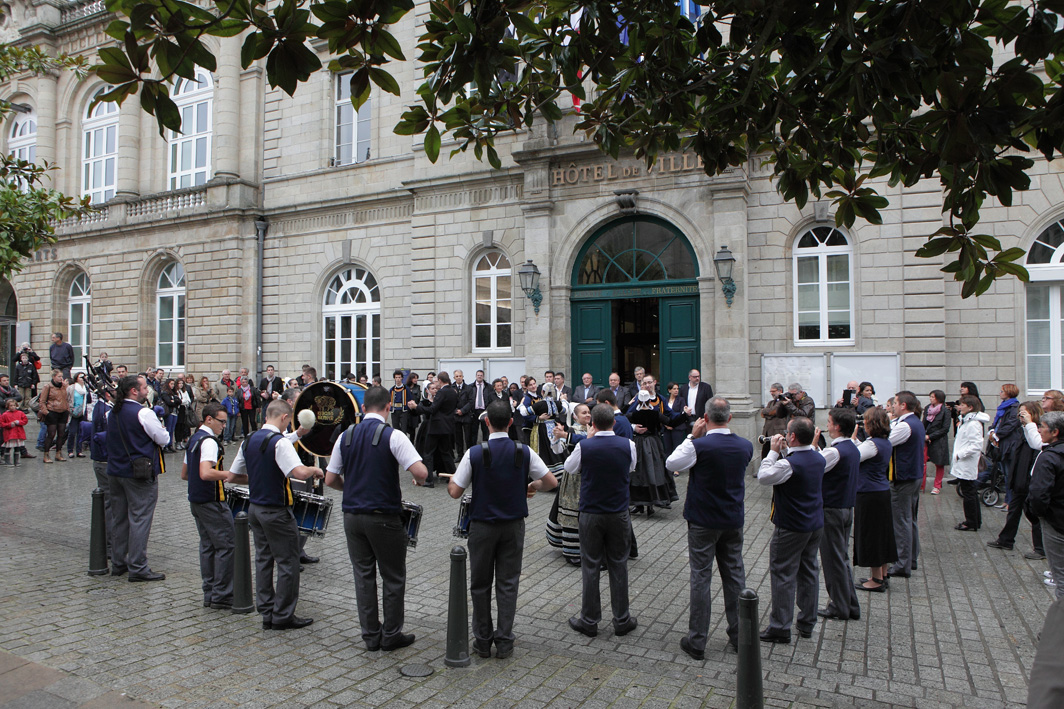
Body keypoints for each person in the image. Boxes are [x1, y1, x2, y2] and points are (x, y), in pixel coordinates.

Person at [449, 399, 558, 658]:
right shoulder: (524, 451)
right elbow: (551, 481)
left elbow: (455, 492)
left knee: (480, 584)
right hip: (513, 526)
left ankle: (483, 641)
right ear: (511, 423)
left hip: (482, 527)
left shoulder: (474, 452)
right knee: (508, 584)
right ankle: (505, 642)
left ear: (486, 423)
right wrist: (531, 487)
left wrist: (454, 479)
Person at [324, 385, 427, 650]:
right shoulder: (394, 436)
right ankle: (391, 635)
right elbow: (421, 472)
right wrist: (417, 478)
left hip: (352, 517)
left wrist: (354, 488)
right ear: (388, 407)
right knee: (393, 576)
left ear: (362, 408)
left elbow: (330, 479)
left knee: (363, 576)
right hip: (383, 516)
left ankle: (370, 635)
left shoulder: (344, 435)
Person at [665, 396, 752, 658]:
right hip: (732, 518)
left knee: (701, 577)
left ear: (705, 418)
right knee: (735, 575)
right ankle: (741, 636)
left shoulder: (698, 446)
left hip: (703, 519)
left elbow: (672, 464)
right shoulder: (745, 446)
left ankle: (697, 639)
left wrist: (692, 436)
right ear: (730, 418)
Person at [230, 399, 324, 629]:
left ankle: (267, 611)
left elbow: (233, 475)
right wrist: (315, 469)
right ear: (284, 418)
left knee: (263, 560)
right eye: (288, 421)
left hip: (255, 509)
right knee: (288, 562)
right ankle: (283, 615)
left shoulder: (249, 439)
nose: (288, 425)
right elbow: (298, 472)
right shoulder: (279, 443)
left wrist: (259, 478)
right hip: (277, 511)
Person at [565, 404, 638, 639]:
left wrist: (587, 441)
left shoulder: (584, 445)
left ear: (592, 424)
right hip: (618, 511)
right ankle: (622, 619)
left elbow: (569, 468)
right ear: (614, 423)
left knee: (590, 564)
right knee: (618, 564)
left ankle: (589, 620)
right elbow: (631, 468)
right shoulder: (628, 444)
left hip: (591, 512)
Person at [757, 416, 825, 643]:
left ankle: (780, 626)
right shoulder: (817, 456)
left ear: (793, 437)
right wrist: (786, 452)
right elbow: (795, 470)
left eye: (787, 433)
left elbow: (765, 477)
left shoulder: (789, 463)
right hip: (814, 523)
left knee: (783, 574)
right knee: (808, 572)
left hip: (791, 526)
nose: (784, 435)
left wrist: (773, 452)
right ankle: (807, 622)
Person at [106, 374, 171, 581]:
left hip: (116, 470)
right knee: (140, 518)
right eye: (144, 388)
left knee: (120, 518)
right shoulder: (143, 413)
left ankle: (119, 561)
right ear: (134, 390)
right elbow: (163, 439)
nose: (146, 391)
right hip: (139, 472)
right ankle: (137, 566)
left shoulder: (113, 412)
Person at [182, 402, 239, 610]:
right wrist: (230, 475)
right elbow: (205, 473)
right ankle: (222, 594)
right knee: (226, 545)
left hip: (196, 500)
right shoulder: (209, 442)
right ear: (209, 419)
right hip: (212, 501)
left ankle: (210, 592)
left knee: (207, 546)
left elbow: (185, 474)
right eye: (221, 422)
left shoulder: (193, 439)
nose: (224, 426)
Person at [815, 407, 861, 620]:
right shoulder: (851, 447)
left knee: (833, 560)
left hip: (832, 509)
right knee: (841, 557)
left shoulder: (835, 451)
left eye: (830, 422)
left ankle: (839, 606)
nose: (828, 426)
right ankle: (850, 603)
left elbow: (814, 468)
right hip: (845, 507)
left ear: (838, 427)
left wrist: (812, 446)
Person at [989, 401, 1046, 558]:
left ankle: (1040, 549)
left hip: (1028, 479)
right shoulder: (1022, 430)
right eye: (1020, 413)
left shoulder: (1037, 430)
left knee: (1033, 514)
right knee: (1014, 510)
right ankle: (1006, 539)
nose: (1020, 416)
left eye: (1024, 413)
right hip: (1019, 477)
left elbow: (1036, 447)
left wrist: (1029, 424)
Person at [852, 408, 896, 592]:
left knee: (872, 535)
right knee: (882, 534)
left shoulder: (872, 445)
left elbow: (854, 457)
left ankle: (876, 579)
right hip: (881, 492)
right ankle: (882, 574)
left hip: (869, 494)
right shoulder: (884, 442)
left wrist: (850, 439)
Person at [626, 374, 680, 515]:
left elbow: (621, 418)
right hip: (652, 442)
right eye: (646, 383)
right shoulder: (654, 414)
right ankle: (650, 502)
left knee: (640, 471)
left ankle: (643, 503)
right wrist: (685, 416)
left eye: (650, 382)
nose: (648, 385)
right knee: (652, 471)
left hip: (641, 442)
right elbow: (671, 421)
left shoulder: (636, 413)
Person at [547, 402, 591, 565]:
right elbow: (558, 450)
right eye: (583, 413)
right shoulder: (571, 431)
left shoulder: (592, 429)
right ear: (575, 416)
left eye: (588, 413)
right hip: (573, 479)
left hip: (589, 477)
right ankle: (572, 551)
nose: (587, 415)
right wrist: (557, 437)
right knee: (571, 512)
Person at [887, 391, 926, 578]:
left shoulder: (905, 425)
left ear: (903, 405)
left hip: (904, 478)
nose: (893, 406)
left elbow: (886, 444)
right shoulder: (915, 422)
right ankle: (910, 559)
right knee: (910, 519)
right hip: (913, 475)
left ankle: (902, 564)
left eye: (895, 403)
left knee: (901, 521)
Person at [1028, 410, 1064, 600]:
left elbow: (1038, 494)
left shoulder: (1048, 457)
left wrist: (1039, 514)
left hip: (1056, 522)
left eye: (1042, 427)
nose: (1039, 430)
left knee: (1061, 577)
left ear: (1055, 432)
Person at [950, 395, 988, 531]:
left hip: (967, 462)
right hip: (964, 462)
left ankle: (971, 522)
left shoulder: (973, 424)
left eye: (962, 405)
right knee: (969, 491)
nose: (959, 407)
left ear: (970, 407)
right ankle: (974, 520)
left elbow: (976, 445)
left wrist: (961, 454)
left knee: (969, 493)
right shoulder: (967, 422)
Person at [415, 370, 458, 487]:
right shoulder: (454, 392)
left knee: (428, 453)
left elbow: (432, 409)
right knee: (446, 452)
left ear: (439, 381)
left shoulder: (441, 393)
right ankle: (455, 477)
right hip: (448, 427)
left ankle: (429, 480)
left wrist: (416, 407)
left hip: (436, 427)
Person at [90, 386, 114, 558]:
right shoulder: (104, 410)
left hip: (103, 460)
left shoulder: (104, 408)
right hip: (104, 460)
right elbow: (103, 436)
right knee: (109, 503)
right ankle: (109, 544)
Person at [38, 369, 70, 463]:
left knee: (61, 434)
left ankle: (58, 453)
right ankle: (46, 454)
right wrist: (46, 412)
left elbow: (67, 398)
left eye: (61, 376)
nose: (61, 378)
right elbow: (42, 401)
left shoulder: (64, 386)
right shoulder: (48, 386)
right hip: (52, 411)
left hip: (63, 411)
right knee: (51, 434)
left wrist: (67, 409)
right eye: (59, 376)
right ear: (54, 377)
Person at [923, 390, 951, 493]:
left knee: (939, 464)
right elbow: (924, 423)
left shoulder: (945, 411)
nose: (930, 399)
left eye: (933, 397)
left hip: (939, 440)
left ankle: (937, 486)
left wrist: (931, 436)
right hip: (926, 438)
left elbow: (945, 428)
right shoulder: (927, 408)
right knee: (923, 461)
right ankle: (922, 485)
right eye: (930, 397)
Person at [760, 383, 788, 458]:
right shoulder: (771, 402)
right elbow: (762, 414)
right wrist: (768, 413)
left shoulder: (783, 402)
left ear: (780, 391)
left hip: (777, 432)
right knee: (766, 454)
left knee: (777, 454)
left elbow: (773, 411)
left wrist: (768, 412)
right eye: (771, 391)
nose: (772, 393)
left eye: (773, 391)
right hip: (767, 433)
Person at [66, 371, 90, 457]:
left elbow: (89, 400)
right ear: (76, 378)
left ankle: (79, 451)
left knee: (81, 432)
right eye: (81, 377)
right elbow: (67, 398)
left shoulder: (86, 388)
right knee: (72, 432)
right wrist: (69, 409)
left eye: (84, 377)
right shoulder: (71, 388)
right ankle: (70, 451)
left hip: (82, 412)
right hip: (73, 412)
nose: (83, 379)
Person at [662, 382, 687, 461]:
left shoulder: (681, 400)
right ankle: (668, 467)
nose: (676, 390)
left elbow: (681, 413)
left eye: (677, 389)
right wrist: (666, 425)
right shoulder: (665, 400)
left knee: (677, 447)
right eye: (674, 389)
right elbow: (662, 413)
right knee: (667, 447)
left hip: (677, 427)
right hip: (666, 427)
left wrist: (673, 425)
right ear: (669, 390)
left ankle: (676, 468)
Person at [0, 397, 26, 466]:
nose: (13, 407)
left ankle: (16, 461)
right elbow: (2, 423)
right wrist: (9, 424)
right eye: (11, 406)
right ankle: (7, 461)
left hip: (18, 433)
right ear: (8, 406)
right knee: (8, 448)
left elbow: (25, 420)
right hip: (9, 434)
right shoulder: (5, 414)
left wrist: (19, 422)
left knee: (17, 447)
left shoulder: (20, 413)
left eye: (14, 405)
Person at [467, 369, 488, 445]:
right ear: (476, 376)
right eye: (478, 375)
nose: (479, 377)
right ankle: (473, 448)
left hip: (484, 411)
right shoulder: (470, 387)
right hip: (474, 412)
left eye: (481, 375)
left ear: (483, 376)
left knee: (485, 431)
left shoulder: (488, 386)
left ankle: (486, 448)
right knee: (473, 432)